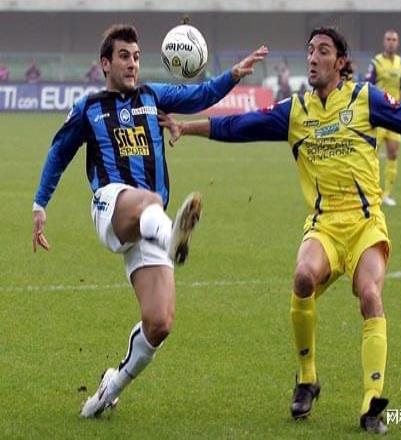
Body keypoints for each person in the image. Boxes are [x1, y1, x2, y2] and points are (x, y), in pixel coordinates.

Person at [159, 26, 401, 434]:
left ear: (341, 62)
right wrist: (185, 127)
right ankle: (307, 379)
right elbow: (238, 126)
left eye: (323, 51)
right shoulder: (295, 111)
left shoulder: (365, 99)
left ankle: (371, 403)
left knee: (369, 295)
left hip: (366, 224)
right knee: (302, 277)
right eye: (310, 50)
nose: (313, 57)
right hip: (324, 225)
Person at [32, 24, 267, 418]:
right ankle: (171, 235)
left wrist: (234, 75)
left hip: (150, 225)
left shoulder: (152, 96)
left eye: (137, 57)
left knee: (159, 323)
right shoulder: (89, 108)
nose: (132, 64)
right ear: (105, 63)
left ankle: (109, 389)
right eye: (124, 56)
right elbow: (59, 153)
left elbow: (200, 95)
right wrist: (40, 204)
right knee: (150, 200)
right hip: (112, 207)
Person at [365, 30, 401, 207]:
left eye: (394, 39)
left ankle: (387, 194)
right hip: (379, 115)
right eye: (388, 39)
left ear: (398, 42)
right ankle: (369, 190)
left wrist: (400, 109)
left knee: (393, 153)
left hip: (394, 116)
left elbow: (400, 89)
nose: (391, 42)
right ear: (384, 42)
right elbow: (368, 86)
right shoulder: (376, 62)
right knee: (369, 154)